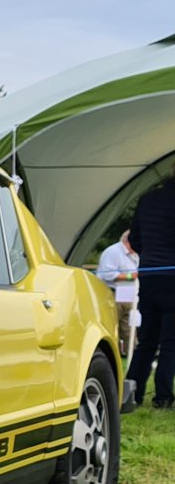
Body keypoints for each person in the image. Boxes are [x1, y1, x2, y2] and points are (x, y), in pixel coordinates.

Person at [127, 175, 175, 408]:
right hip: (172, 275)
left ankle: (132, 393)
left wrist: (151, 256)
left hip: (149, 274)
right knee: (170, 342)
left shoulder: (148, 199)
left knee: (146, 340)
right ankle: (163, 397)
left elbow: (135, 239)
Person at [95, 229, 139, 357]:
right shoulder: (113, 252)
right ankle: (110, 355)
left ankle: (133, 355)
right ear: (129, 240)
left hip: (129, 295)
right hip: (113, 294)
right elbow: (107, 274)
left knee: (129, 327)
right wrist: (131, 276)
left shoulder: (135, 255)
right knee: (112, 326)